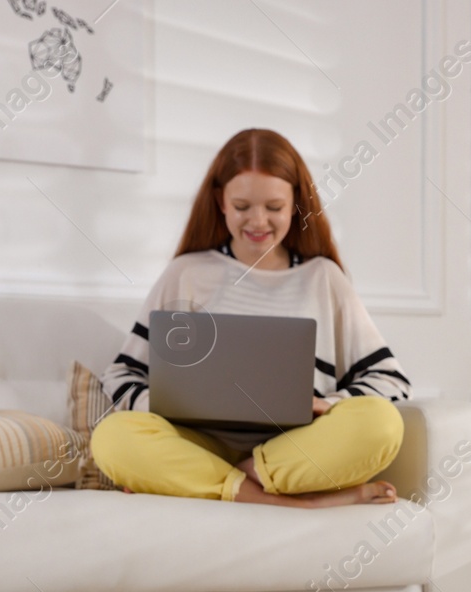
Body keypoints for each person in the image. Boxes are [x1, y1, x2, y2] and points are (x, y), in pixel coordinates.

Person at [90, 128, 411, 507]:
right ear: (220, 202)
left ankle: (230, 483)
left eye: (274, 207)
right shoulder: (186, 273)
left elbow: (391, 381)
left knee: (382, 424)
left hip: (293, 448)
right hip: (199, 445)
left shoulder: (323, 278)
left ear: (296, 203)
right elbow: (123, 374)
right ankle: (297, 503)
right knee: (112, 438)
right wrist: (161, 405)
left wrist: (332, 403)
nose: (258, 221)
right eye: (242, 207)